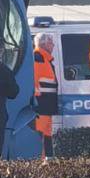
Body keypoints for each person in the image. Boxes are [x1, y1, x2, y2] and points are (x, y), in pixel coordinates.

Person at [32, 31, 59, 160]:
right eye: (51, 42)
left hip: (46, 106)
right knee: (40, 135)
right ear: (44, 44)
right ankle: (40, 162)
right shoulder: (38, 57)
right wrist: (37, 100)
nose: (53, 45)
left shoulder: (44, 58)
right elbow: (34, 80)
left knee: (47, 134)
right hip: (41, 105)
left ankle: (48, 160)